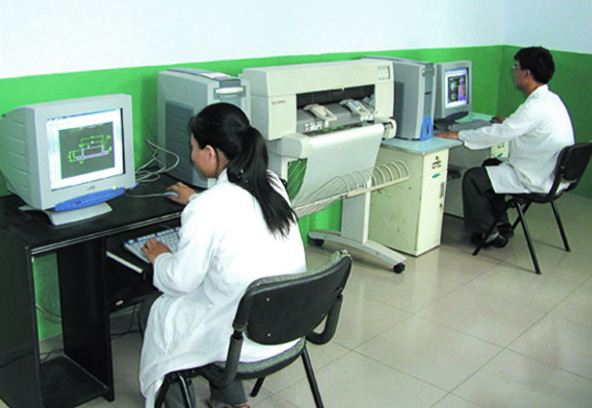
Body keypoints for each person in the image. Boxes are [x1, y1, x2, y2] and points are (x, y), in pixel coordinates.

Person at [138, 103, 307, 408]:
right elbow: (237, 210)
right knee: (225, 295)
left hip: (241, 340)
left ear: (210, 153)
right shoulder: (271, 183)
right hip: (286, 325)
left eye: (193, 147)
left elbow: (180, 281)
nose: (191, 155)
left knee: (154, 308)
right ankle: (231, 402)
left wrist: (160, 258)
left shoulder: (208, 208)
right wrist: (198, 199)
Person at [437, 46, 574, 247]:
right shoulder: (551, 100)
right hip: (552, 173)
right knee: (490, 164)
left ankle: (488, 234)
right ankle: (501, 223)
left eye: (516, 67)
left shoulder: (534, 106)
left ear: (527, 74)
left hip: (537, 177)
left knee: (473, 178)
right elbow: (520, 127)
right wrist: (508, 123)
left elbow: (500, 134)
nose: (514, 71)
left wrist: (458, 134)